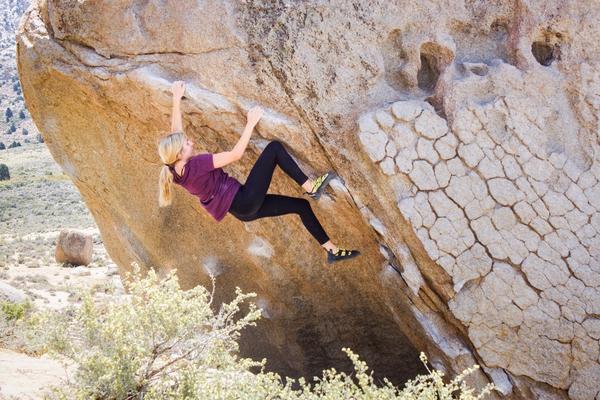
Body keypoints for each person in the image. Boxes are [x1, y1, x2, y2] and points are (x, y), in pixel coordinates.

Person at [157, 81, 360, 263]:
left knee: (301, 207)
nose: (190, 142)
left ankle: (332, 250)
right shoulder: (198, 165)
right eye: (187, 143)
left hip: (242, 211)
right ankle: (312, 187)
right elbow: (236, 154)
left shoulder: (174, 171)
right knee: (274, 149)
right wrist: (250, 123)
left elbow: (176, 134)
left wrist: (176, 98)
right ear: (178, 152)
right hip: (244, 199)